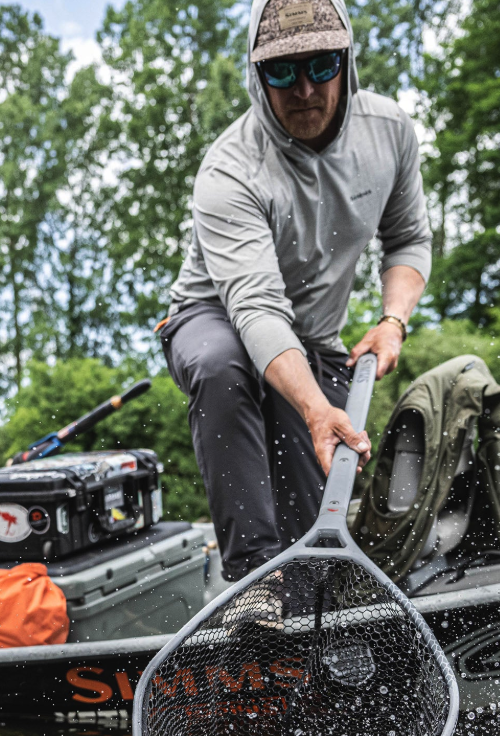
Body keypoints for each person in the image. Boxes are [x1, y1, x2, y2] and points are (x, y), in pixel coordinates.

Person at [159, 0, 431, 581]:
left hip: (312, 339)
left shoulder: (389, 132)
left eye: (321, 65)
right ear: (258, 76)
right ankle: (251, 582)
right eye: (281, 71)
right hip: (216, 317)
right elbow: (255, 308)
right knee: (222, 365)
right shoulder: (230, 170)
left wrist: (392, 320)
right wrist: (314, 408)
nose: (304, 88)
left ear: (347, 61)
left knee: (314, 547)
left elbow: (408, 240)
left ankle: (307, 598)